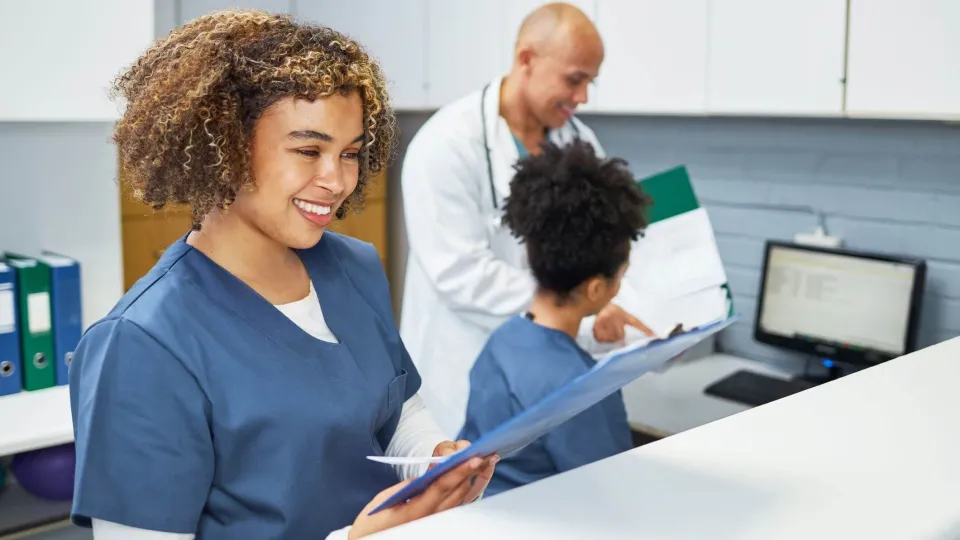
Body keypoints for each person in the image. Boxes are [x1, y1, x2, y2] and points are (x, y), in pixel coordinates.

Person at [67, 10, 497, 540]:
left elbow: (396, 414)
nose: (336, 180)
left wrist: (434, 462)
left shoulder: (353, 268)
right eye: (308, 151)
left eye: (350, 154)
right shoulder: (143, 345)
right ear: (223, 146)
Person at [399, 2, 653, 438]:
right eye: (575, 79)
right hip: (461, 370)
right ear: (526, 60)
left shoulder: (580, 142)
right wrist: (579, 308)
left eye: (590, 82)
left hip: (552, 368)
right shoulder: (447, 144)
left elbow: (602, 245)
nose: (583, 97)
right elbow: (461, 275)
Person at [457, 139, 651, 496]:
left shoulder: (501, 342)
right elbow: (613, 495)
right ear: (596, 289)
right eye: (621, 274)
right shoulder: (583, 388)